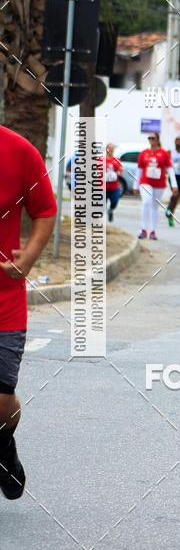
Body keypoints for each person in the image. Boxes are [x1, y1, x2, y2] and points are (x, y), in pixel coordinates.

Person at [0, 125, 57, 499]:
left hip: (4, 296)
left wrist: (30, 257)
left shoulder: (19, 151)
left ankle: (3, 445)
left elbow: (45, 209)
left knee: (1, 400)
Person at [134, 133, 178, 239]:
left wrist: (174, 184)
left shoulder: (164, 153)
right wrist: (135, 186)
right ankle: (143, 229)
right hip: (145, 181)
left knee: (155, 206)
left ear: (157, 140)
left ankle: (152, 231)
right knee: (146, 201)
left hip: (159, 184)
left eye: (153, 138)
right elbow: (139, 170)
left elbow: (170, 169)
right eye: (149, 138)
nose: (151, 140)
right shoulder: (144, 153)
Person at [165, 136, 180, 226]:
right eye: (177, 141)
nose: (178, 143)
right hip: (173, 176)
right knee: (175, 194)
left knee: (176, 197)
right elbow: (166, 162)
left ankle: (170, 213)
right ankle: (169, 210)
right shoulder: (171, 151)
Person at [104, 143, 123, 223]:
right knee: (101, 206)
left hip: (114, 187)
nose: (110, 149)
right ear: (106, 149)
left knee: (115, 201)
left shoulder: (117, 160)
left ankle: (111, 211)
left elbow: (121, 170)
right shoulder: (101, 160)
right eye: (109, 148)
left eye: (112, 148)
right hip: (103, 187)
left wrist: (121, 170)